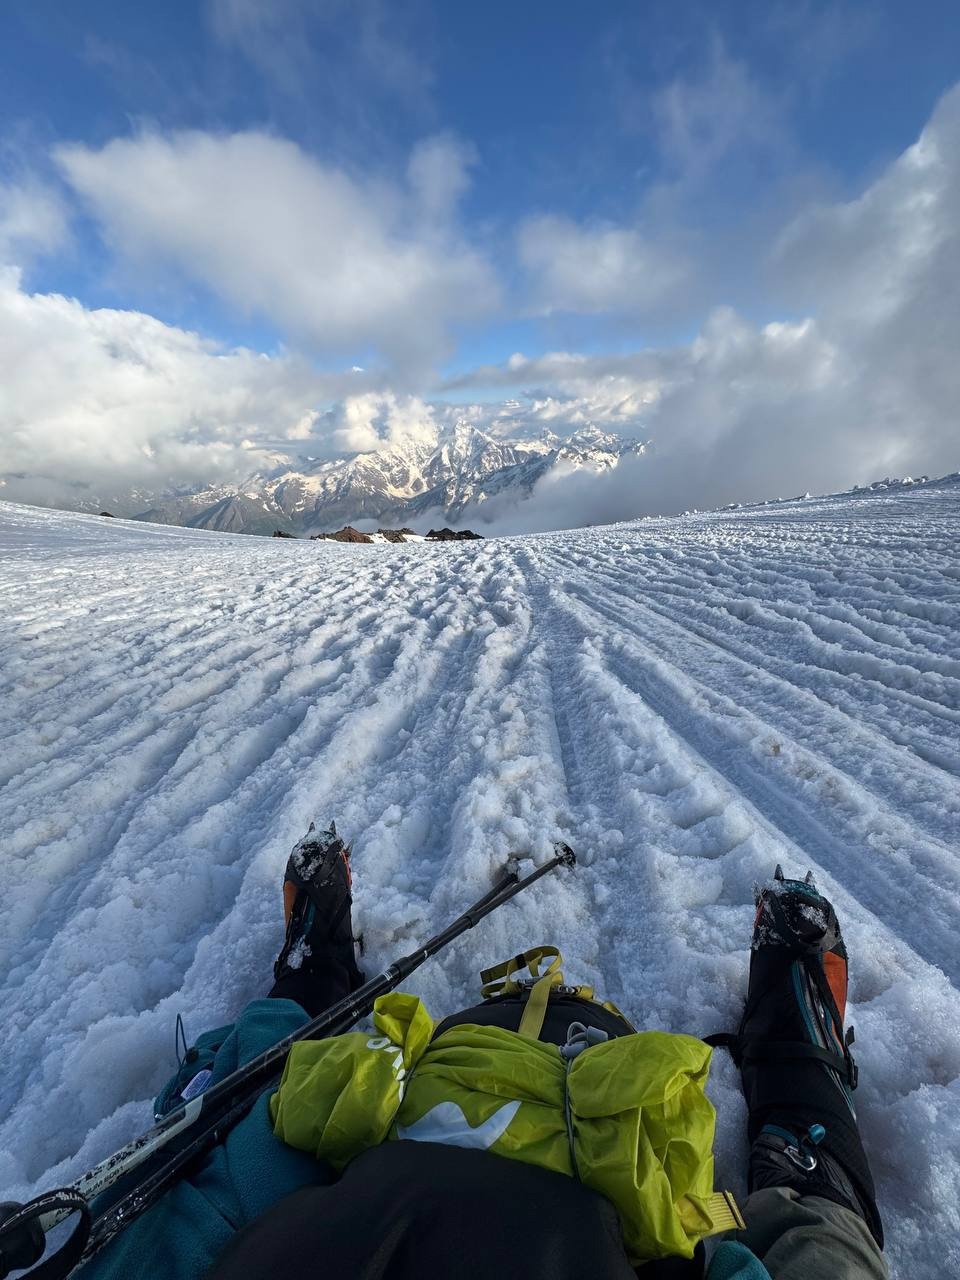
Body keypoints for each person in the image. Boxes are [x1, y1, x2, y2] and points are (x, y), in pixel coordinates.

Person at [82, 825, 889, 1280]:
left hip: (325, 1228)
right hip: (612, 1238)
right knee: (823, 1253)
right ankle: (797, 1062)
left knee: (250, 1108)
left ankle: (312, 973)